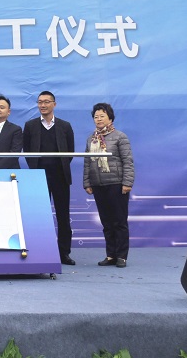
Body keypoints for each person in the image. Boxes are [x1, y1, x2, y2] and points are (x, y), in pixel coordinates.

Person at [23, 91, 76, 265]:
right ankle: (40, 252)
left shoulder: (65, 126)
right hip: (38, 177)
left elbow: (70, 152)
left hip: (60, 177)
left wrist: (58, 167)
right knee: (39, 216)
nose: (43, 105)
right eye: (40, 102)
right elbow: (27, 151)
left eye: (46, 102)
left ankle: (64, 253)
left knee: (63, 216)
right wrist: (36, 169)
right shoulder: (30, 126)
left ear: (54, 104)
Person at [83, 103, 134, 268]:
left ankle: (122, 256)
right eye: (96, 117)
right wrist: (87, 182)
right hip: (98, 185)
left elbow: (128, 161)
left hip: (116, 184)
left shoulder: (120, 137)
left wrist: (127, 182)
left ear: (110, 118)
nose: (98, 119)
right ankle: (110, 254)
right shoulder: (91, 139)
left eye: (102, 116)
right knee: (106, 222)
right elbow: (87, 162)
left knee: (119, 221)